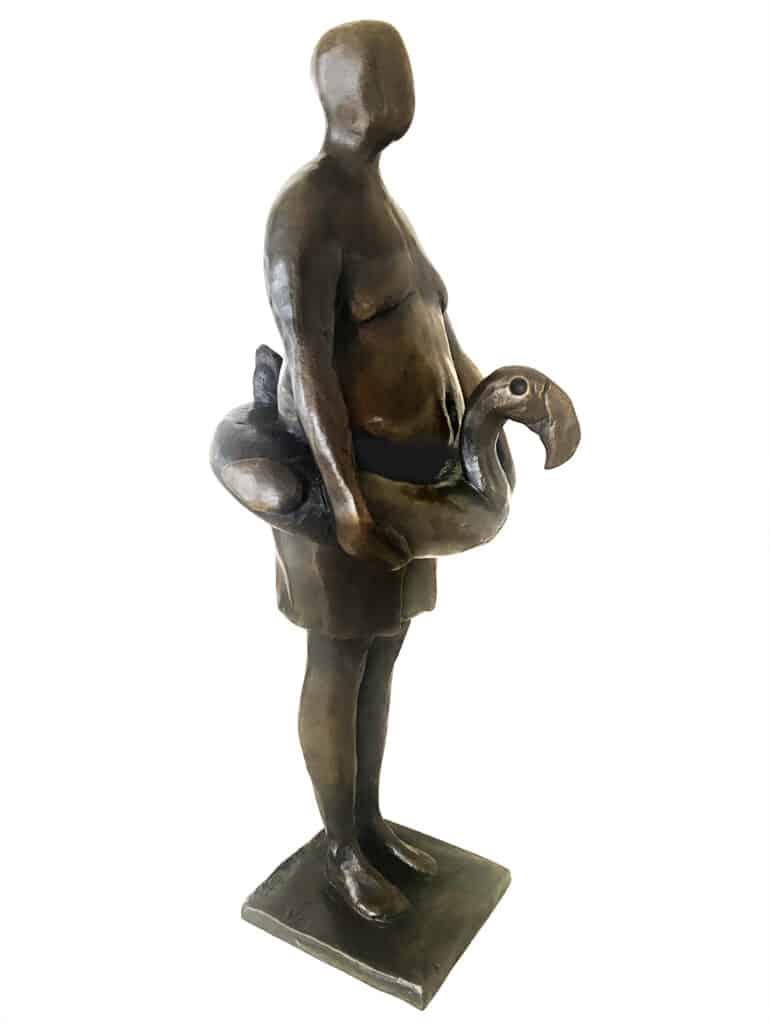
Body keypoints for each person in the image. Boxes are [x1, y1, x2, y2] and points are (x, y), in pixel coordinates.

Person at [260, 20, 515, 923]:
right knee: (339, 659)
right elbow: (310, 361)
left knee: (385, 654)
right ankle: (340, 849)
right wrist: (344, 503)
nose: (396, 89)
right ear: (336, 92)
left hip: (412, 490)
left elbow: (437, 335)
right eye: (377, 74)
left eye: (399, 70)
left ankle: (367, 825)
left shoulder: (383, 204)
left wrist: (490, 411)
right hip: (345, 495)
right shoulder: (308, 211)